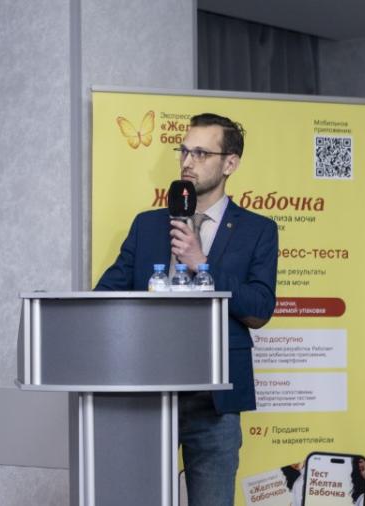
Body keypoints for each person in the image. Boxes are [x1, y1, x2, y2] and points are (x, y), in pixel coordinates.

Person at [95, 113, 278, 505]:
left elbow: (260, 309)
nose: (187, 162)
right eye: (184, 151)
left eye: (201, 153)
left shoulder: (257, 230)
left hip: (214, 402)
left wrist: (202, 265)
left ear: (230, 164)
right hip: (147, 394)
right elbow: (106, 296)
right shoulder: (147, 225)